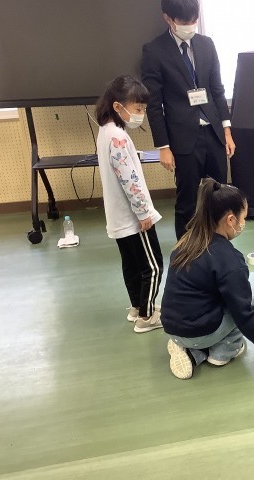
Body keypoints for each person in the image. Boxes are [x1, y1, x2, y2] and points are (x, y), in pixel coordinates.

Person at [161, 178, 254, 379]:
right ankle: (223, 351)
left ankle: (192, 352)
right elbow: (244, 314)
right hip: (199, 332)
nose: (243, 223)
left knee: (223, 293)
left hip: (172, 327)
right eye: (243, 218)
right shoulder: (229, 260)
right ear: (230, 220)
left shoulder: (186, 241)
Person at [141, 0, 236, 241]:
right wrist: (163, 147)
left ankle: (219, 245)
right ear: (168, 18)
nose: (190, 26)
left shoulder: (206, 44)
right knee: (187, 201)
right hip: (183, 138)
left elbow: (217, 89)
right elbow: (154, 103)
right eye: (184, 22)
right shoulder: (154, 51)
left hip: (213, 132)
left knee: (219, 195)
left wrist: (226, 130)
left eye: (194, 20)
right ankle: (185, 250)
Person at [95, 75, 164, 334]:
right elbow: (129, 179)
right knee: (153, 266)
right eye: (138, 108)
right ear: (117, 106)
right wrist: (144, 213)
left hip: (118, 217)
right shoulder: (119, 137)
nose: (141, 115)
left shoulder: (106, 131)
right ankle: (147, 316)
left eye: (144, 109)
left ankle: (137, 306)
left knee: (132, 264)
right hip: (134, 217)